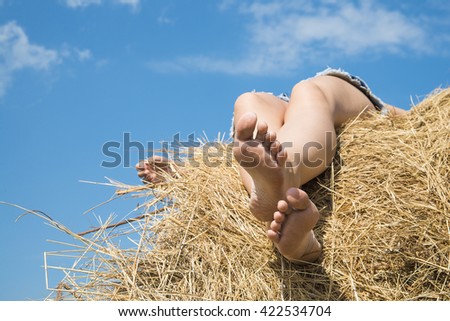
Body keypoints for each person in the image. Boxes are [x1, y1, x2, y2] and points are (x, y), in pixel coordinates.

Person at [136, 68, 407, 264]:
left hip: (317, 118)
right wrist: (191, 176)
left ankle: (276, 180)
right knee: (255, 100)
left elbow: (428, 116)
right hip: (300, 120)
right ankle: (294, 225)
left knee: (298, 92)